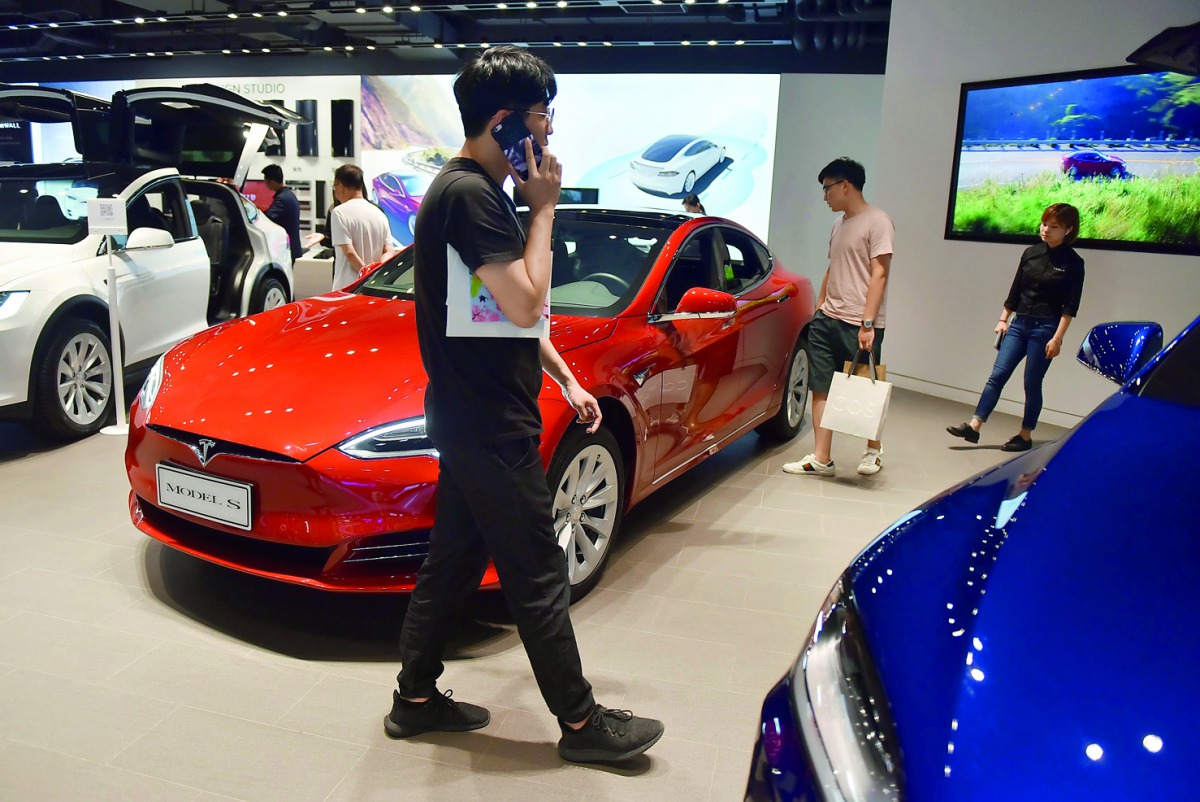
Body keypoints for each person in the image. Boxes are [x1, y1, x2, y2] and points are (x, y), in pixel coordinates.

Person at [385, 45, 665, 764]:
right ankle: (580, 724)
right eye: (542, 118)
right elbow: (526, 299)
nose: (549, 136)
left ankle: (413, 699)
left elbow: (496, 314)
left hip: (470, 415)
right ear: (507, 120)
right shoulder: (475, 196)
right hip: (487, 422)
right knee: (539, 570)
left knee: (451, 561)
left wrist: (566, 378)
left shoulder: (466, 190)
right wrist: (544, 211)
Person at [783, 157, 894, 478]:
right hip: (827, 318)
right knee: (820, 387)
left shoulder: (878, 221)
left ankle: (873, 451)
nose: (824, 196)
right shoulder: (839, 224)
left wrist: (868, 323)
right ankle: (821, 458)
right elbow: (833, 267)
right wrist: (819, 307)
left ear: (846, 185)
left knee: (866, 387)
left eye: (827, 188)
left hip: (860, 323)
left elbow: (880, 274)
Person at [947, 203, 1084, 452]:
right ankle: (974, 426)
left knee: (1031, 383)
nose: (1046, 230)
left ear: (1068, 230)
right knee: (997, 375)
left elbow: (1070, 307)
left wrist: (1058, 338)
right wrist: (1003, 318)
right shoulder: (1031, 252)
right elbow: (1016, 288)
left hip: (1046, 329)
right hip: (1019, 324)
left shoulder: (1074, 263)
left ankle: (1025, 434)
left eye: (1054, 227)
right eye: (1044, 224)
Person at [329, 164, 390, 289]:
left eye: (334, 187)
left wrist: (365, 275)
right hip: (374, 286)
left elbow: (349, 252)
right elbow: (389, 251)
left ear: (340, 186)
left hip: (348, 286)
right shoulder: (378, 213)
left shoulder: (339, 212)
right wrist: (376, 274)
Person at [260, 164, 303, 262]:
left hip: (285, 248)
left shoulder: (282, 199)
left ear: (271, 181)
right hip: (289, 247)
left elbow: (267, 219)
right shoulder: (287, 195)